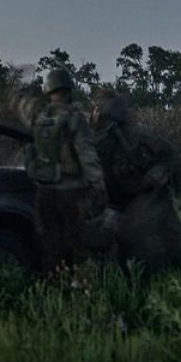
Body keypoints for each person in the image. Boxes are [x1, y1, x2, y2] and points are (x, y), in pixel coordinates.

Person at [11, 69, 107, 272]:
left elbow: (21, 104)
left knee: (49, 240)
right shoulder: (74, 118)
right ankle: (76, 283)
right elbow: (86, 153)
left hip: (44, 189)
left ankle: (54, 280)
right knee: (74, 241)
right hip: (71, 190)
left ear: (48, 90)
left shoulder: (38, 114)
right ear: (69, 90)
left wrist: (16, 91)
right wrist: (98, 183)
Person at [90, 89, 181, 275]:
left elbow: (172, 157)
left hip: (151, 200)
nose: (93, 114)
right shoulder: (94, 143)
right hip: (119, 205)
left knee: (172, 251)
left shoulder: (139, 136)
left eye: (97, 109)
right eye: (93, 109)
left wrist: (162, 175)